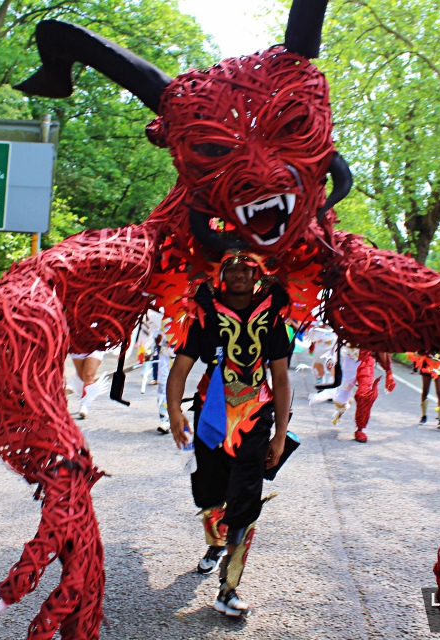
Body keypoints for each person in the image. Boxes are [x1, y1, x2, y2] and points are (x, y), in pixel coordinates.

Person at [167, 253, 291, 618]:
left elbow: (281, 379)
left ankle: (229, 586)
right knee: (209, 490)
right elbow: (181, 367)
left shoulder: (273, 318)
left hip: (255, 416)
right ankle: (215, 543)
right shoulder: (203, 317)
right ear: (222, 275)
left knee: (246, 498)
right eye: (232, 269)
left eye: (246, 269)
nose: (239, 274)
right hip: (210, 414)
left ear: (257, 275)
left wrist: (280, 434)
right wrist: (174, 409)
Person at [409, 352, 440, 428]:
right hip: (426, 363)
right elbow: (418, 351)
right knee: (425, 390)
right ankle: (424, 416)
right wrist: (425, 353)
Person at [69, 351, 104, 419]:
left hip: (97, 343)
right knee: (81, 376)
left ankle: (85, 404)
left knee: (89, 375)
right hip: (78, 343)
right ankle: (84, 397)